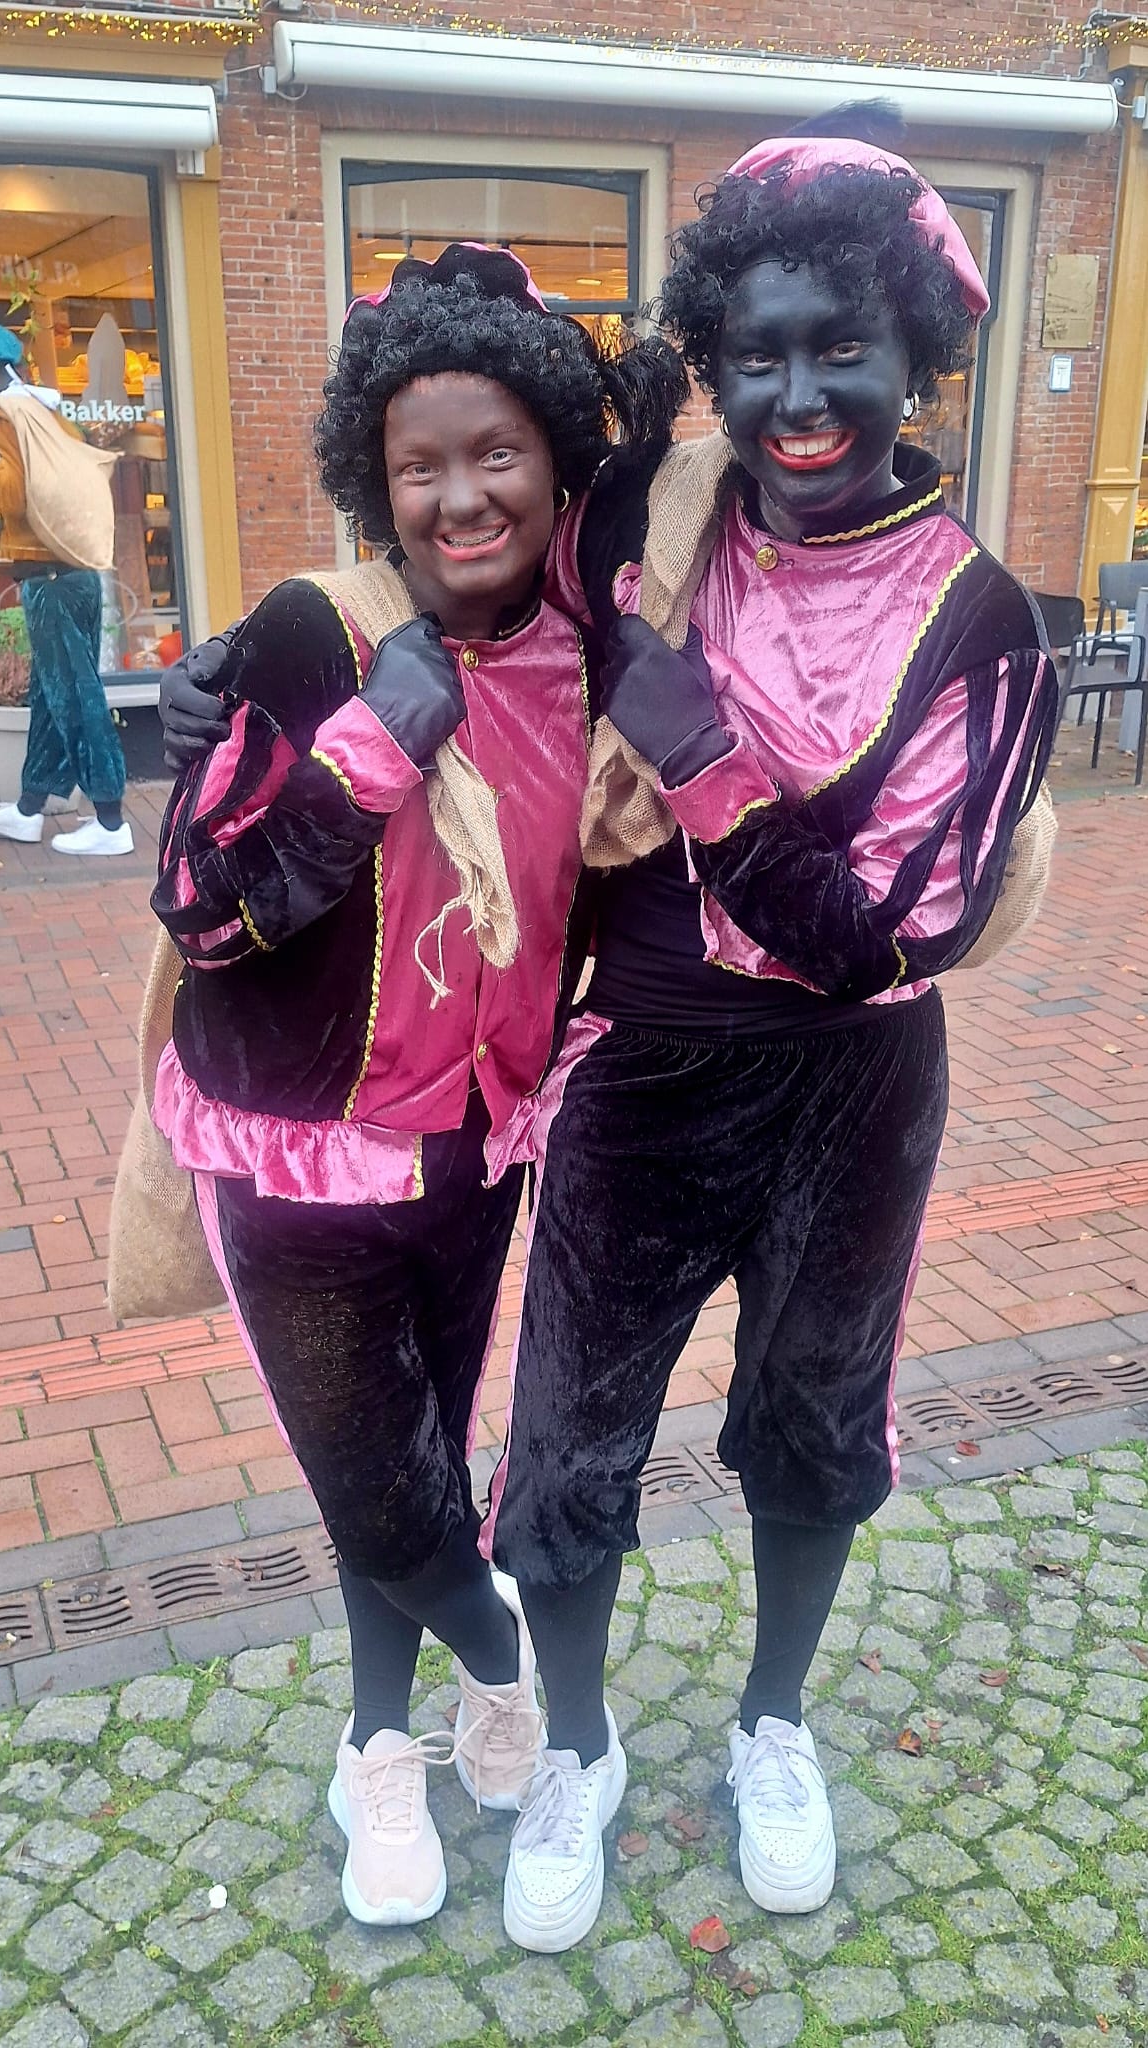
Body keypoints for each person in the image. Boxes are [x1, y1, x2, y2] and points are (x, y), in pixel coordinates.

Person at [485, 110, 1058, 1951]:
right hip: (640, 1069)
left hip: (848, 1086)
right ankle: (574, 1748)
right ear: (713, 362)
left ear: (917, 352)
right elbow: (468, 555)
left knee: (815, 1411)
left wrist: (704, 760)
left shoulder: (983, 622)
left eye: (842, 349)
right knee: (567, 1430)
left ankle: (772, 1723)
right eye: (757, 355)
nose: (799, 398)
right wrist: (277, 678)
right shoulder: (646, 522)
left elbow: (891, 934)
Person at [148, 243, 683, 1930]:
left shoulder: (590, 660)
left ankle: (379, 1738)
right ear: (371, 483)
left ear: (553, 463)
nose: (460, 497)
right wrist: (369, 743)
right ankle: (513, 1657)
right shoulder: (319, 631)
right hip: (300, 1164)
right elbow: (201, 906)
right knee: (374, 1484)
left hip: (475, 1154)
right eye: (417, 466)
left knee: (423, 1458)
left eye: (497, 452)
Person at [0, 321, 131, 856]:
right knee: (51, 697)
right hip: (71, 574)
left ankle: (110, 820)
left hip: (50, 580)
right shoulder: (44, 409)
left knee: (75, 695)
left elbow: (14, 494)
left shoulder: (3, 416)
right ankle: (28, 810)